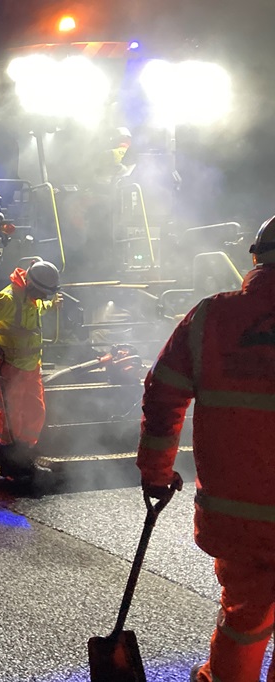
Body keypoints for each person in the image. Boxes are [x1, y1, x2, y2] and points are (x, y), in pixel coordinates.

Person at [137, 216, 275, 682]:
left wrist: (156, 473)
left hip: (241, 518)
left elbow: (162, 396)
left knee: (245, 620)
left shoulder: (211, 317)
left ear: (255, 257)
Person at [0, 259, 61, 479]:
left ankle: (25, 457)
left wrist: (52, 305)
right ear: (30, 283)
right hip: (10, 368)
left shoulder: (31, 296)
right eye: (41, 293)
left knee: (35, 411)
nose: (42, 298)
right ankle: (12, 465)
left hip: (30, 368)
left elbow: (38, 309)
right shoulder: (7, 299)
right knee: (12, 417)